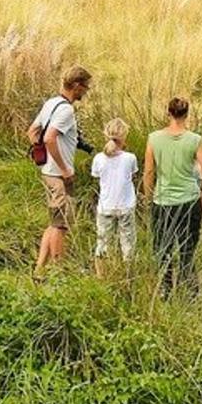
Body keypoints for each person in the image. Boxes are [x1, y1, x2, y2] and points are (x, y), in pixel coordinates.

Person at [144, 97, 202, 298]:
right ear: (187, 114)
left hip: (163, 200)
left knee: (162, 248)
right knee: (187, 247)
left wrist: (149, 197)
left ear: (168, 113)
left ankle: (165, 290)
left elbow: (149, 172)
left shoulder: (154, 138)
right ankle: (190, 291)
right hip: (189, 200)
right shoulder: (195, 140)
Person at [30, 65, 92, 275]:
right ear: (76, 86)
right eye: (85, 87)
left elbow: (33, 131)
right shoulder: (65, 109)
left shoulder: (51, 103)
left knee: (53, 222)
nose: (86, 91)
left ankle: (39, 269)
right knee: (61, 224)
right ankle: (59, 271)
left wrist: (41, 158)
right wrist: (64, 168)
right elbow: (49, 138)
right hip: (59, 174)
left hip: (48, 171)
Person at [91, 117, 138, 276]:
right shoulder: (130, 158)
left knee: (103, 243)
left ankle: (101, 276)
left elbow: (97, 176)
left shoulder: (98, 158)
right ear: (124, 137)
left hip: (106, 206)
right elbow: (132, 174)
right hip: (125, 206)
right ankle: (127, 276)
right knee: (128, 244)